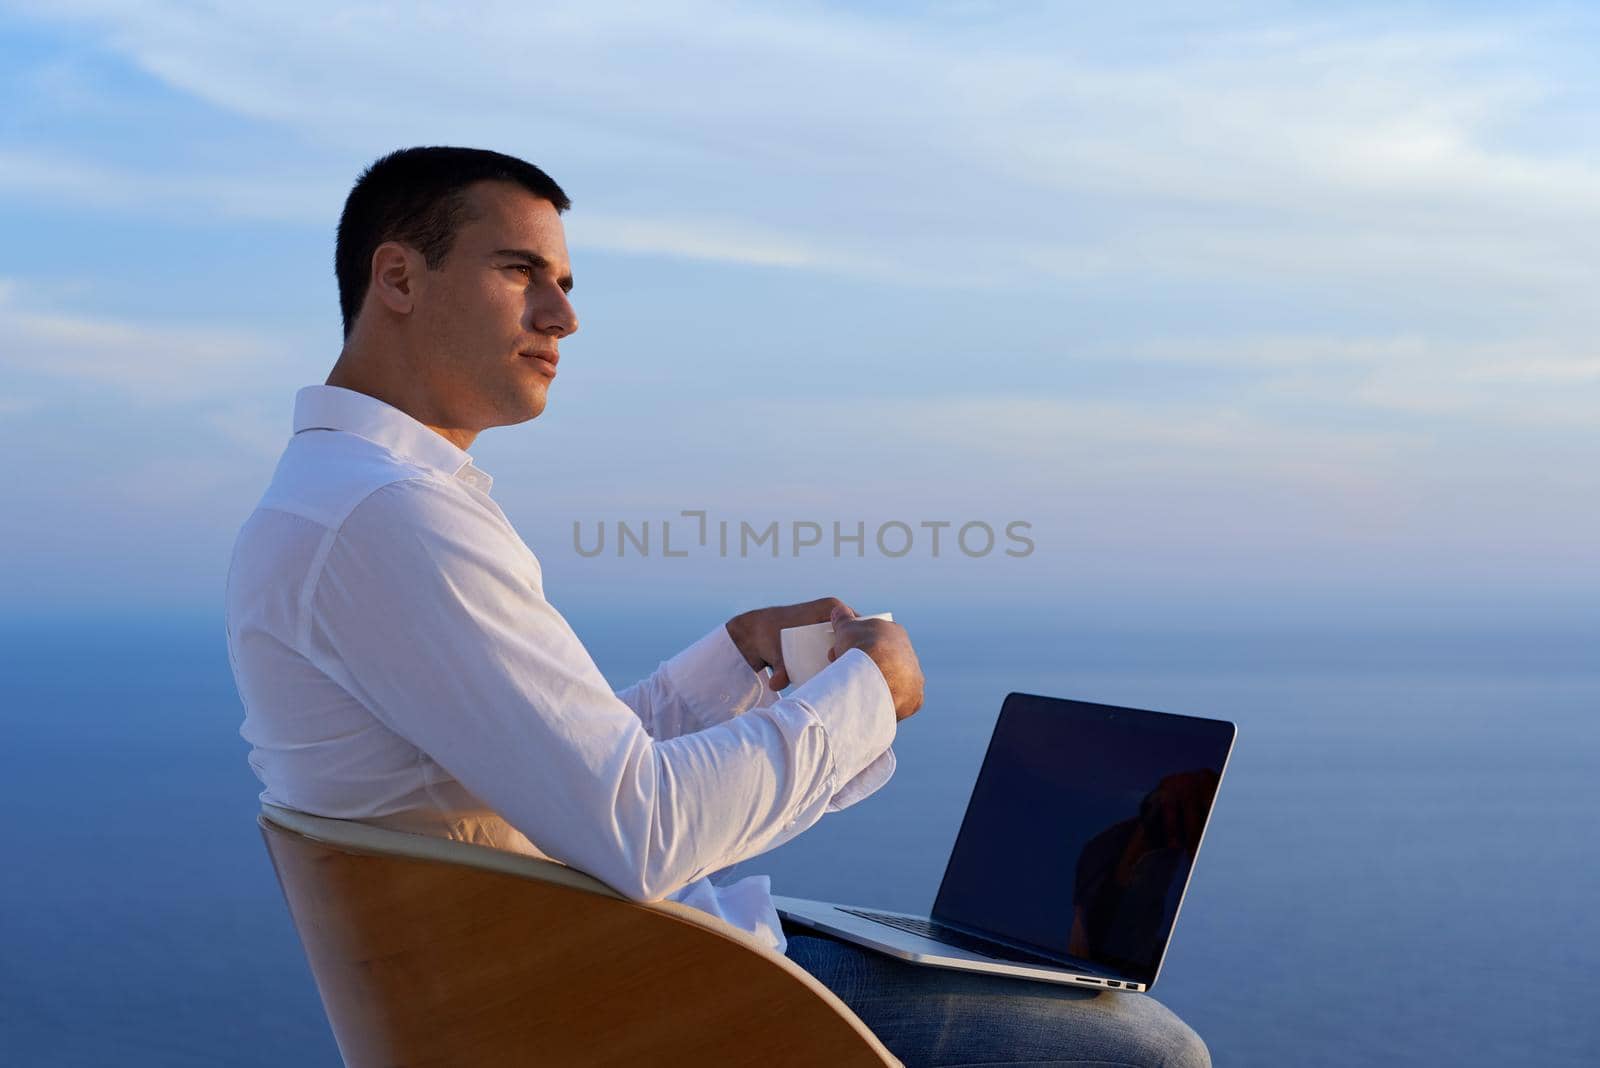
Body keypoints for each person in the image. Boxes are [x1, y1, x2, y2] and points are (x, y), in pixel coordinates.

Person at [224, 145, 1209, 1067]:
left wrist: (738, 659)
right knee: (1146, 1048)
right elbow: (637, 831)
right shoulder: (392, 519)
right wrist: (866, 688)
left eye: (565, 285)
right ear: (397, 279)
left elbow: (551, 771)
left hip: (564, 976)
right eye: (521, 272)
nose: (561, 318)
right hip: (607, 1005)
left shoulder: (344, 500)